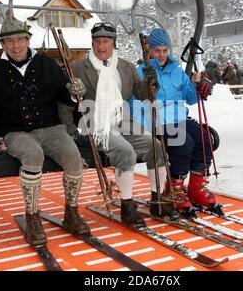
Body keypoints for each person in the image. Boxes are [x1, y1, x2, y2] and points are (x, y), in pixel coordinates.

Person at [0, 15, 90, 246]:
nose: (16, 45)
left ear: (28, 39)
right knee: (33, 155)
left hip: (52, 128)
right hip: (16, 132)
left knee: (73, 158)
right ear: (2, 44)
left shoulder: (46, 64)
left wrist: (74, 92)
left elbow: (65, 96)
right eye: (9, 41)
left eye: (20, 39)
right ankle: (32, 217)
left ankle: (71, 212)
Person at [59, 22, 176, 227]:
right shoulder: (77, 67)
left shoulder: (125, 66)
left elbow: (143, 94)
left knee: (156, 147)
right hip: (94, 122)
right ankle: (127, 206)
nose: (100, 46)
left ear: (113, 43)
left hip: (123, 120)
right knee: (125, 151)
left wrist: (152, 82)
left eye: (105, 41)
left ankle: (157, 199)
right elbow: (64, 103)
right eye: (96, 41)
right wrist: (70, 130)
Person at [132, 28, 217, 215]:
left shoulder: (177, 71)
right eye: (157, 51)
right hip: (157, 122)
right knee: (184, 142)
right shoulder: (140, 72)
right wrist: (144, 126)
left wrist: (196, 85)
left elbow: (191, 98)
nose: (161, 55)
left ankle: (196, 186)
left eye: (165, 50)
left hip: (179, 118)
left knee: (204, 138)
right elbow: (133, 103)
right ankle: (174, 189)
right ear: (149, 51)